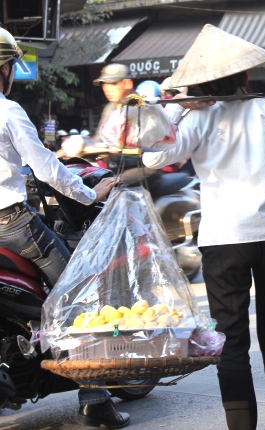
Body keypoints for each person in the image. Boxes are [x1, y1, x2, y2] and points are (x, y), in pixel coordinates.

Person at [142, 25, 265, 430]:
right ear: (245, 77)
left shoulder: (196, 118)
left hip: (224, 242)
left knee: (231, 342)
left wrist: (178, 105)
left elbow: (154, 157)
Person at [0, 28, 126, 428]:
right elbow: (46, 168)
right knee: (78, 299)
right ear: (4, 67)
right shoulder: (8, 112)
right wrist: (90, 195)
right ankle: (96, 401)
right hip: (14, 226)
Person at [92, 64, 162, 189]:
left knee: (114, 184)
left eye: (113, 84)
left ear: (128, 83)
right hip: (117, 165)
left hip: (144, 166)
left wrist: (121, 146)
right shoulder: (110, 108)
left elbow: (154, 143)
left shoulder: (144, 106)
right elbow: (98, 140)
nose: (107, 88)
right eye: (105, 84)